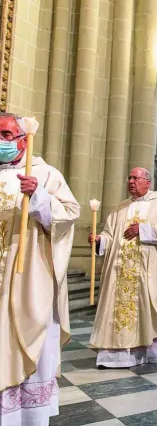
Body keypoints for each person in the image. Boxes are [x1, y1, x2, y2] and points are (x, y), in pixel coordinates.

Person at [0, 114, 80, 425]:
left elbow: (71, 212)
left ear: (24, 139)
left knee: (27, 333)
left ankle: (26, 415)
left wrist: (39, 196)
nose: (2, 141)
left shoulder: (45, 174)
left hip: (27, 277)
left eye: (7, 134)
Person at [89, 167, 157, 368]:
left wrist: (143, 230)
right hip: (120, 271)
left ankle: (150, 352)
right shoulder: (120, 207)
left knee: (149, 305)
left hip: (148, 271)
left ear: (147, 183)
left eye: (136, 178)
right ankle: (118, 356)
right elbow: (110, 233)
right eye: (130, 177)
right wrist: (100, 240)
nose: (131, 181)